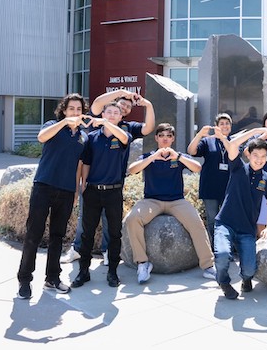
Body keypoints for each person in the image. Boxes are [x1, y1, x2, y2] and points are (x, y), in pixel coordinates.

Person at [61, 88, 155, 265]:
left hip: (113, 183)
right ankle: (77, 249)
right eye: (122, 104)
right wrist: (121, 92)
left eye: (128, 107)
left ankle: (107, 251)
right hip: (91, 181)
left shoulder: (127, 128)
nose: (125, 108)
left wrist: (147, 105)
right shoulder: (97, 121)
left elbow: (148, 127)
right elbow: (97, 104)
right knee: (84, 219)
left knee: (109, 221)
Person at [16, 94, 89, 299]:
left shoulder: (83, 136)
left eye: (78, 109)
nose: (75, 112)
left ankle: (53, 278)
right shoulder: (53, 125)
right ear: (64, 110)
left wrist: (76, 190)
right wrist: (65, 122)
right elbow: (41, 137)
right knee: (34, 235)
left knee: (58, 237)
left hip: (66, 191)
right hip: (44, 187)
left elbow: (78, 166)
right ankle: (24, 280)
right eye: (71, 109)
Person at [126, 123, 217, 284]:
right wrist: (153, 157)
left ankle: (208, 266)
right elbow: (132, 169)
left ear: (173, 139)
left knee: (196, 222)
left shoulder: (178, 156)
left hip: (176, 201)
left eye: (168, 136)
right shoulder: (149, 156)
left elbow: (197, 168)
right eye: (161, 136)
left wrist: (179, 157)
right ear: (156, 138)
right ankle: (143, 263)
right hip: (151, 200)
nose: (165, 139)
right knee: (133, 218)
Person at [71, 103, 131, 288]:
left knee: (114, 234)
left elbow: (123, 138)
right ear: (103, 113)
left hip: (114, 191)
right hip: (93, 191)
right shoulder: (92, 138)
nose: (112, 115)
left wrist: (105, 122)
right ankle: (83, 271)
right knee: (87, 234)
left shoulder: (123, 135)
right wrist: (83, 186)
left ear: (120, 117)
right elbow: (86, 163)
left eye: (116, 113)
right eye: (108, 112)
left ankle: (112, 272)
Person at [214, 130, 267, 299]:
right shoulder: (238, 168)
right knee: (222, 256)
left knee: (250, 268)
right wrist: (256, 131)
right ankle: (224, 281)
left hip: (247, 229)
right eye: (255, 155)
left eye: (263, 156)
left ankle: (246, 278)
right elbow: (233, 144)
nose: (259, 159)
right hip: (225, 223)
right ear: (248, 155)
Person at [187, 113, 234, 247]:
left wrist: (224, 139)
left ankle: (227, 246)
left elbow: (234, 154)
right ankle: (215, 247)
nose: (224, 126)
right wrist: (199, 134)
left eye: (227, 123)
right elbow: (191, 151)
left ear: (230, 126)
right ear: (216, 126)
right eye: (221, 124)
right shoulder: (208, 141)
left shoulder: (234, 141)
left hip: (229, 188)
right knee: (212, 219)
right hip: (210, 187)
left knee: (228, 219)